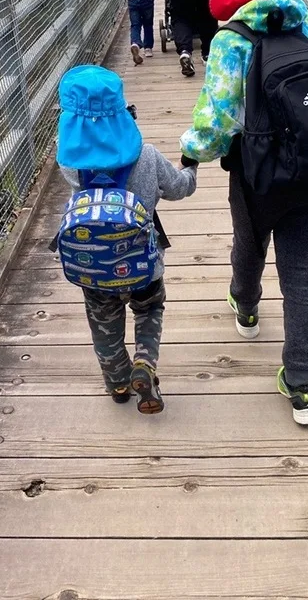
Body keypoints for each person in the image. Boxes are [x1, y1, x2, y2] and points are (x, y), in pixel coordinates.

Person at [179, 0, 308, 427]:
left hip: (257, 176)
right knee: (300, 276)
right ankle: (300, 383)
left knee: (249, 244)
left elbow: (216, 122)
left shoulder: (231, 40)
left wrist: (190, 154)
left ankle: (247, 309)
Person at [56, 65, 198, 413]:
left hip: (93, 265)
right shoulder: (146, 156)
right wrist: (191, 165)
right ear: (123, 112)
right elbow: (181, 188)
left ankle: (117, 383)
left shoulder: (69, 163)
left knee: (104, 324)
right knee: (150, 308)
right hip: (142, 264)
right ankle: (144, 364)